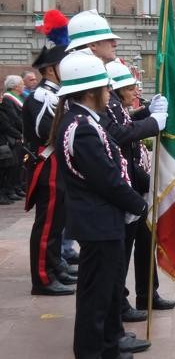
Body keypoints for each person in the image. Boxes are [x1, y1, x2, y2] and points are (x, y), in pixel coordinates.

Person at [53, 51, 151, 358]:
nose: (110, 93)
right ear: (91, 91)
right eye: (105, 88)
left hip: (101, 221)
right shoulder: (81, 127)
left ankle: (107, 346)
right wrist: (139, 204)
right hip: (98, 222)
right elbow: (106, 178)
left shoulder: (82, 121)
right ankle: (92, 351)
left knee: (104, 290)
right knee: (96, 296)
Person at [104, 60, 174, 321]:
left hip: (135, 185)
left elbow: (127, 122)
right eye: (131, 87)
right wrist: (154, 121)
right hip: (123, 190)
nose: (136, 91)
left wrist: (147, 113)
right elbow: (121, 134)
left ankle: (147, 294)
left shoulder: (116, 105)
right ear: (116, 88)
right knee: (121, 254)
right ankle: (120, 305)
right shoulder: (108, 106)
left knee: (146, 242)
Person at [23, 42, 74, 295]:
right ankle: (42, 278)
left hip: (58, 164)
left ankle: (55, 267)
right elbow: (43, 132)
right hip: (48, 164)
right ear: (52, 70)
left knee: (57, 223)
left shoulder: (56, 93)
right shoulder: (42, 96)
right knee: (47, 225)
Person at [0, 75, 25, 204]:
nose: (24, 86)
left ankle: (12, 189)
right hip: (7, 138)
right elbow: (8, 122)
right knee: (6, 167)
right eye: (22, 84)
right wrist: (19, 133)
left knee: (16, 165)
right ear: (15, 86)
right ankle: (5, 192)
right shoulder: (8, 100)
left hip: (13, 136)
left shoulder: (17, 98)